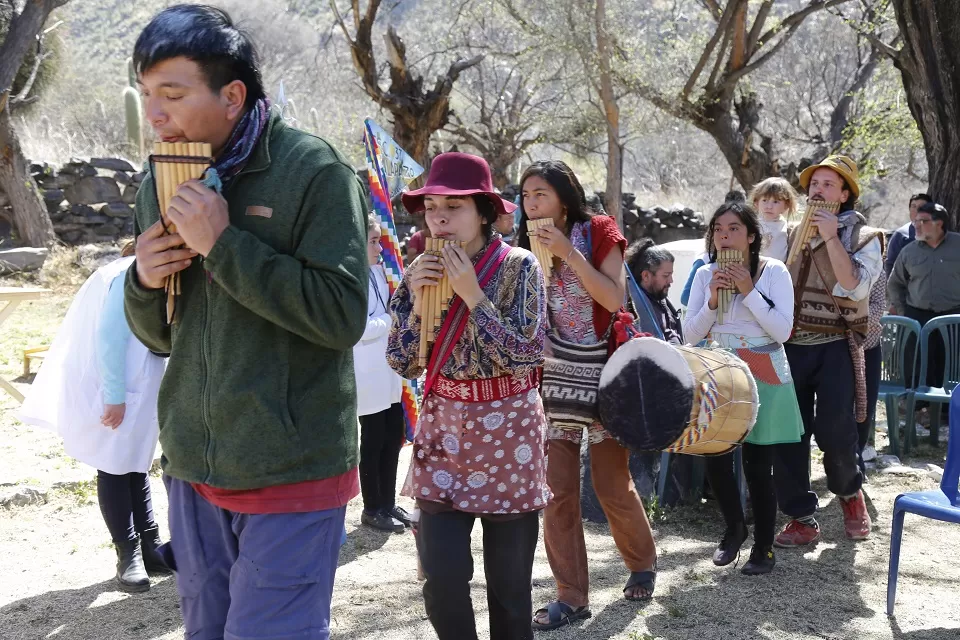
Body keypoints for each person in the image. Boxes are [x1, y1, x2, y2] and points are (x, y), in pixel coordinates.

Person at [123, 6, 368, 639]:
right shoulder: (159, 183)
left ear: (232, 96)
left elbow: (341, 316)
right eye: (146, 95)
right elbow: (159, 336)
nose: (155, 115)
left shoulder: (314, 171)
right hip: (194, 465)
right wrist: (143, 281)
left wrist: (224, 245)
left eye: (172, 94)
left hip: (291, 467)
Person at [387, 152, 549, 640]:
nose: (438, 217)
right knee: (441, 580)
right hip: (443, 431)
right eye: (431, 207)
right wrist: (419, 306)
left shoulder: (519, 266)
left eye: (453, 206)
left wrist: (472, 295)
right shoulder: (420, 269)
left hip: (510, 431)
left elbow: (526, 355)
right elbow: (402, 361)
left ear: (483, 212)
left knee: (510, 589)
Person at [520, 161, 658, 631]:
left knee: (610, 483)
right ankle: (571, 595)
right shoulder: (524, 244)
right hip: (554, 376)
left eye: (540, 193)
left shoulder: (598, 230)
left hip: (604, 373)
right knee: (557, 492)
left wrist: (569, 253)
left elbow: (614, 298)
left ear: (564, 197)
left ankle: (642, 562)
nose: (531, 204)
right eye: (526, 196)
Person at [18, 245, 169, 593]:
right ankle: (127, 553)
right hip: (118, 384)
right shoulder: (127, 275)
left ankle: (150, 544)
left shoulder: (152, 270)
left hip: (142, 380)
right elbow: (111, 337)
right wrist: (115, 396)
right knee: (114, 466)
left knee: (136, 464)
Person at [683, 203, 803, 575]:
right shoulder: (705, 273)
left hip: (762, 369)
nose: (724, 236)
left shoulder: (775, 271)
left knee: (758, 465)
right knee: (715, 456)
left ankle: (764, 548)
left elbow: (783, 331)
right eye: (718, 229)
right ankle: (734, 527)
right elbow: (690, 335)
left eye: (734, 228)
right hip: (719, 370)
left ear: (751, 237)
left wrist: (749, 291)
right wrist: (712, 301)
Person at [775, 155, 884, 547]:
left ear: (844, 195)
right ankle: (801, 516)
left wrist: (832, 238)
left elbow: (854, 286)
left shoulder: (866, 238)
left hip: (837, 346)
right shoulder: (790, 233)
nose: (817, 191)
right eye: (814, 184)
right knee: (788, 434)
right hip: (790, 346)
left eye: (828, 185)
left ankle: (850, 494)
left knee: (837, 432)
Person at [355, 214, 411, 533]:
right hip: (366, 371)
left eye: (379, 240)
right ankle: (372, 507)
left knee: (393, 435)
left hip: (388, 369)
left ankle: (388, 502)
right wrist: (391, 320)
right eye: (373, 241)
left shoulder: (380, 271)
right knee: (373, 439)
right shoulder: (350, 277)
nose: (380, 247)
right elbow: (358, 329)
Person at [888, 202, 960, 402]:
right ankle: (916, 407)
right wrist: (903, 314)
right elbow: (895, 284)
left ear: (939, 223)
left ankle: (947, 410)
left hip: (953, 317)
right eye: (915, 221)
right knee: (916, 365)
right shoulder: (909, 251)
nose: (916, 226)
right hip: (917, 316)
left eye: (923, 221)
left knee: (951, 365)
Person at [624, 237, 683, 344]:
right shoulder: (634, 306)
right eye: (666, 275)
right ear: (646, 276)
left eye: (671, 275)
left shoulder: (659, 296)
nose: (671, 280)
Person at [749, 177, 800, 262]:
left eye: (775, 202)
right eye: (764, 200)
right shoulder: (751, 225)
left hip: (779, 268)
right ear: (756, 202)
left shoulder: (788, 228)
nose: (769, 206)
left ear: (786, 205)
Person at [885, 193, 932, 275]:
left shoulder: (939, 233)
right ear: (909, 209)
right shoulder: (901, 235)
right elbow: (890, 264)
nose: (917, 210)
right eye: (914, 206)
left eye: (922, 206)